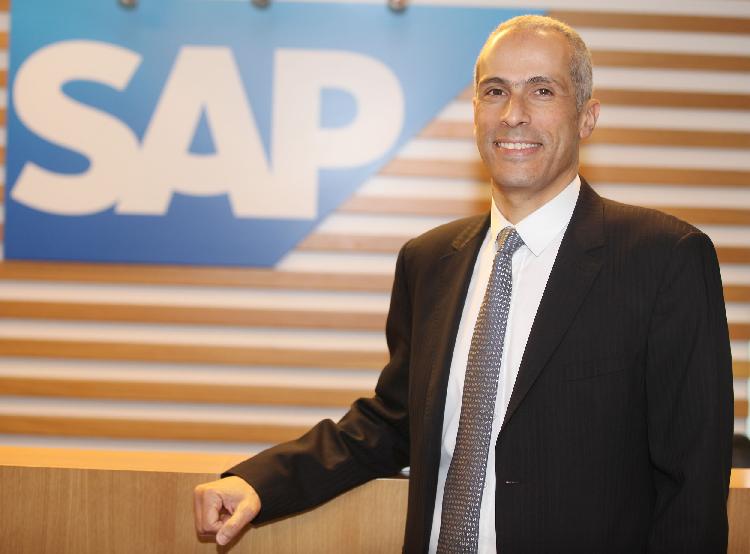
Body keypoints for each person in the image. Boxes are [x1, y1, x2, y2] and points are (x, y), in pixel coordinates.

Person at [194, 15, 734, 553]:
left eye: (541, 90)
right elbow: (392, 424)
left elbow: (693, 485)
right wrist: (260, 483)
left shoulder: (664, 259)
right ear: (475, 112)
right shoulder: (428, 261)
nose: (513, 114)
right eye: (495, 91)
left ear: (587, 117)